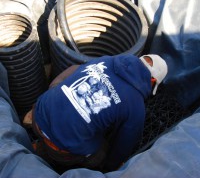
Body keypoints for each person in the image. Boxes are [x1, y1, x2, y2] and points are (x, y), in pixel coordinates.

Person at [23, 53, 168, 172]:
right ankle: (53, 160)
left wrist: (54, 90)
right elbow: (123, 147)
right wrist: (110, 168)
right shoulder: (136, 107)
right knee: (102, 153)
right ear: (153, 80)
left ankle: (39, 147)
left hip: (38, 113)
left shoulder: (107, 60)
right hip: (62, 151)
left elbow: (74, 68)